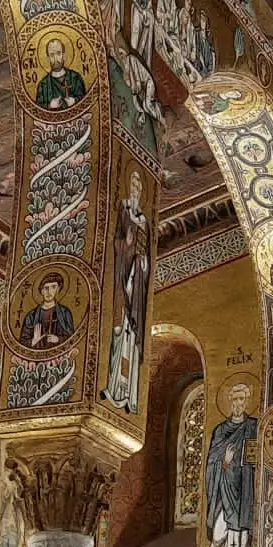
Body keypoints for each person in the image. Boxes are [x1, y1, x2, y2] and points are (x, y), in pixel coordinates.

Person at [200, 381, 263, 547]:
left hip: (244, 491)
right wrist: (224, 463)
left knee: (242, 538)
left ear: (246, 402)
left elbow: (260, 457)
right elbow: (211, 462)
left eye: (242, 399)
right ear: (229, 402)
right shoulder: (220, 430)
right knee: (218, 537)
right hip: (223, 493)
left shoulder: (254, 426)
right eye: (235, 399)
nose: (238, 404)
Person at [104, 173, 151, 408]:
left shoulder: (143, 220)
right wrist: (128, 244)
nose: (135, 189)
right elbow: (117, 243)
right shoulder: (123, 211)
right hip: (121, 279)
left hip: (136, 284)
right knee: (117, 331)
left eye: (138, 186)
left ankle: (128, 393)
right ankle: (112, 385)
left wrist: (142, 264)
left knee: (131, 338)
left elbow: (146, 255)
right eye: (132, 184)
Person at [21, 274, 76, 349]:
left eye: (53, 287)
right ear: (41, 291)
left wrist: (58, 339)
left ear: (58, 289)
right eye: (46, 288)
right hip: (37, 356)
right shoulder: (31, 316)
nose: (49, 291)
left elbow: (73, 338)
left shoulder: (65, 312)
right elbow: (22, 342)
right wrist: (34, 341)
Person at [35, 36, 87, 110]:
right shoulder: (43, 85)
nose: (56, 59)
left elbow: (85, 100)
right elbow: (37, 109)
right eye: (52, 55)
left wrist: (75, 101)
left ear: (64, 55)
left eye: (58, 53)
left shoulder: (75, 78)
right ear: (48, 58)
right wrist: (50, 106)